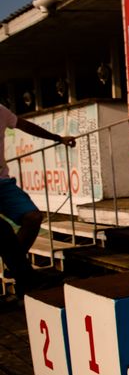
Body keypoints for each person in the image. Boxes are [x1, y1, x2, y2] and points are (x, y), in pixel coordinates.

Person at [0, 102, 76, 295]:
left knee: (33, 217)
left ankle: (19, 270)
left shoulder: (0, 111)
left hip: (2, 183)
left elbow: (25, 125)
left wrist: (57, 138)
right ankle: (25, 276)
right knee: (3, 231)